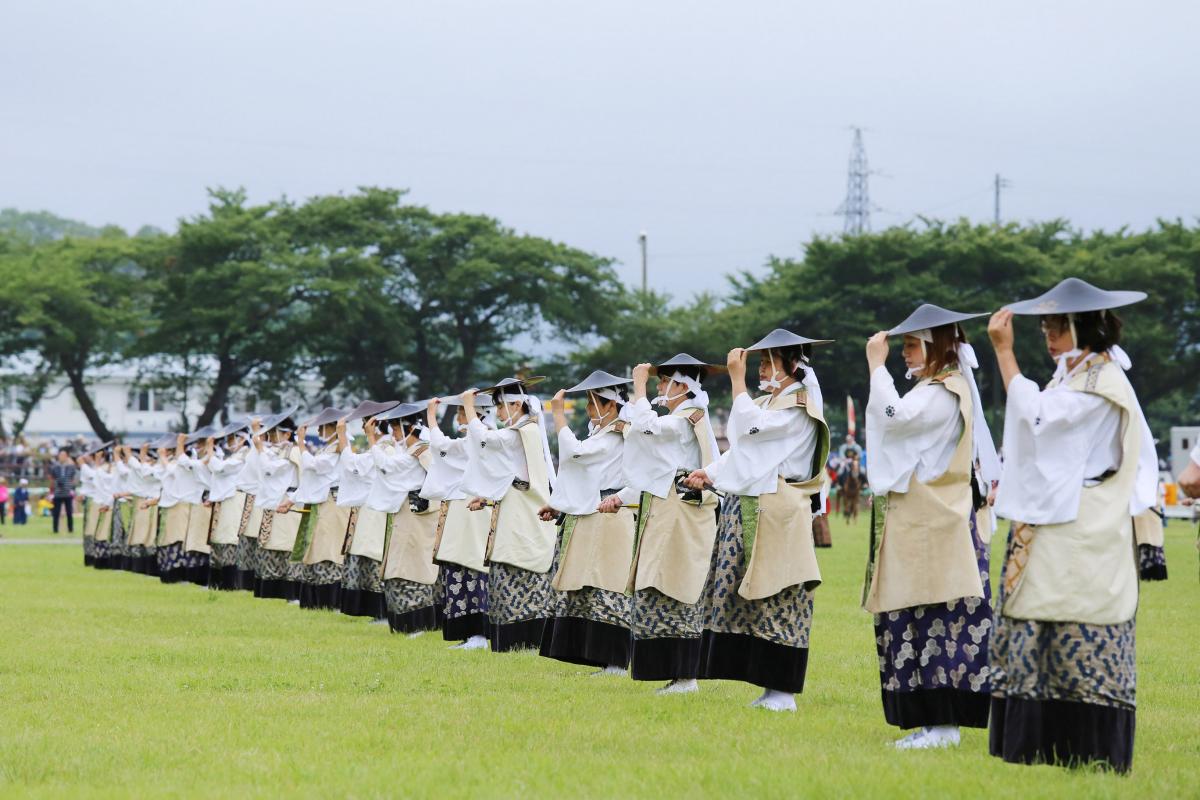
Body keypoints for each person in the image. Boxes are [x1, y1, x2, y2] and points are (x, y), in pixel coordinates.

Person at [987, 278, 1156, 774]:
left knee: (1082, 627)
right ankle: (1042, 745)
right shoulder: (1076, 376)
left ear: (1084, 328)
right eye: (1045, 326)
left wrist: (1005, 354)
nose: (1047, 335)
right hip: (1061, 523)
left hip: (1085, 528)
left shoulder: (1099, 383)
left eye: (1057, 326)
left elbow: (1039, 420)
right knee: (1042, 625)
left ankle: (1085, 749)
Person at [862, 304, 1000, 748]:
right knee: (920, 619)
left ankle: (943, 727)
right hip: (929, 521)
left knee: (938, 620)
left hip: (933, 523)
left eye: (910, 346)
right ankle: (933, 724)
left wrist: (876, 369)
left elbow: (894, 420)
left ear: (935, 347)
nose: (903, 354)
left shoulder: (941, 392)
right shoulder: (940, 388)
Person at [683, 331, 831, 712]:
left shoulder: (797, 405)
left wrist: (737, 379)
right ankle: (768, 686)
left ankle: (783, 691)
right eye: (760, 363)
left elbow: (748, 429)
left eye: (767, 363)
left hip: (779, 512)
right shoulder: (770, 402)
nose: (761, 370)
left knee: (778, 593)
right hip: (754, 506)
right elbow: (745, 451)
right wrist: (710, 473)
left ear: (791, 366)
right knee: (748, 595)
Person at [615, 354, 721, 695]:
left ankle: (686, 675)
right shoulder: (679, 419)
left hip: (683, 515)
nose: (660, 387)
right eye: (658, 381)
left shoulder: (687, 417)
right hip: (666, 512)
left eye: (663, 381)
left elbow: (647, 428)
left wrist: (639, 387)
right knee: (658, 584)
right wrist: (622, 496)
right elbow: (654, 467)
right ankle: (674, 673)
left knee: (679, 584)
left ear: (681, 386)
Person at [540, 371, 637, 675]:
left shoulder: (619, 433)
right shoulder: (602, 433)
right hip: (594, 511)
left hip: (612, 512)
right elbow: (583, 475)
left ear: (608, 404)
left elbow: (576, 455)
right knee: (589, 586)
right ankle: (599, 657)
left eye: (592, 402)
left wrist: (558, 415)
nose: (588, 409)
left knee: (608, 584)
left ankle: (617, 661)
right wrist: (558, 507)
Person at [461, 377, 559, 652]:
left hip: (524, 518)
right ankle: (520, 641)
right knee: (513, 576)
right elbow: (514, 477)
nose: (499, 414)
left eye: (501, 407)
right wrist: (489, 497)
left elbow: (484, 439)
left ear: (516, 404)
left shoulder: (522, 431)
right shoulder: (526, 430)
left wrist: (469, 407)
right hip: (521, 513)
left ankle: (521, 642)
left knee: (517, 574)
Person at [424, 392, 495, 649]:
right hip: (461, 511)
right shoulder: (473, 441)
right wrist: (432, 416)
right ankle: (469, 634)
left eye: (462, 412)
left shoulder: (486, 440)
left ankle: (479, 635)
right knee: (458, 570)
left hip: (474, 513)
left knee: (474, 569)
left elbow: (441, 445)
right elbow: (442, 445)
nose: (459, 418)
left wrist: (431, 415)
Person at [280, 408, 352, 610]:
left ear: (332, 427)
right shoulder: (327, 448)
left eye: (322, 427)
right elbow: (312, 480)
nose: (319, 431)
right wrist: (292, 499)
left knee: (328, 550)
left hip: (332, 504)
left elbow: (314, 467)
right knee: (315, 549)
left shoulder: (338, 446)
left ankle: (331, 602)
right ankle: (317, 601)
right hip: (321, 504)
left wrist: (301, 443)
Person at [336, 400, 400, 620]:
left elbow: (352, 465)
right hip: (375, 508)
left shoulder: (384, 447)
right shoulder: (386, 446)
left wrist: (341, 435)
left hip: (378, 511)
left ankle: (382, 612)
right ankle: (379, 612)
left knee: (376, 560)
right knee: (372, 560)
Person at [251, 408, 304, 601]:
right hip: (274, 502)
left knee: (288, 547)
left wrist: (259, 449)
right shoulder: (275, 451)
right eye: (270, 433)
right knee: (272, 547)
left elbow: (269, 469)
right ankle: (275, 591)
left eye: (275, 433)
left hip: (289, 503)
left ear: (287, 434)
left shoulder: (294, 450)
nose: (271, 437)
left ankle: (293, 593)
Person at [204, 422, 252, 590]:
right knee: (218, 540)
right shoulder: (234, 456)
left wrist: (210, 449)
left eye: (232, 438)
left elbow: (219, 468)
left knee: (229, 539)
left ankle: (229, 584)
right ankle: (217, 582)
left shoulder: (244, 455)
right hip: (224, 500)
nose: (229, 442)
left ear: (241, 439)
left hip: (234, 499)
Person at [48, 448, 79, 534]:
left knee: (69, 512)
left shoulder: (71, 467)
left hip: (67, 493)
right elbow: (52, 479)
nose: (62, 457)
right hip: (57, 493)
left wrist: (72, 488)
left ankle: (70, 529)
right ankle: (55, 530)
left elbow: (74, 478)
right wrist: (51, 491)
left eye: (64, 455)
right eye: (61, 455)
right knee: (56, 513)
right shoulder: (55, 467)